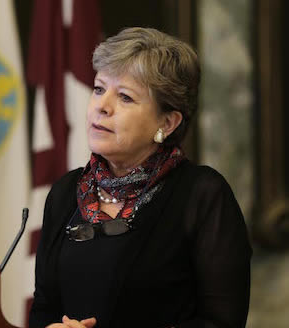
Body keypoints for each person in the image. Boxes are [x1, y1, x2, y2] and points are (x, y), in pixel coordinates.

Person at [28, 27, 252, 328]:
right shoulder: (66, 192)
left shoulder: (202, 196)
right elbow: (43, 307)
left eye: (125, 97)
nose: (102, 107)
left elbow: (222, 322)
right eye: (98, 88)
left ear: (168, 122)